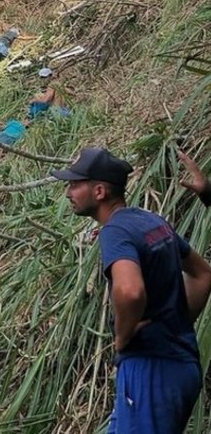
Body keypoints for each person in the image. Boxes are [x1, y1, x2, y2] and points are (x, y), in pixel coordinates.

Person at [51, 147, 211, 433]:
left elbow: (130, 291)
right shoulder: (151, 221)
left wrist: (123, 337)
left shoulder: (115, 232)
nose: (68, 192)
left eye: (75, 185)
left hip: (151, 372)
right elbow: (203, 275)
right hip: (182, 364)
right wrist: (176, 323)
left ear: (99, 191)